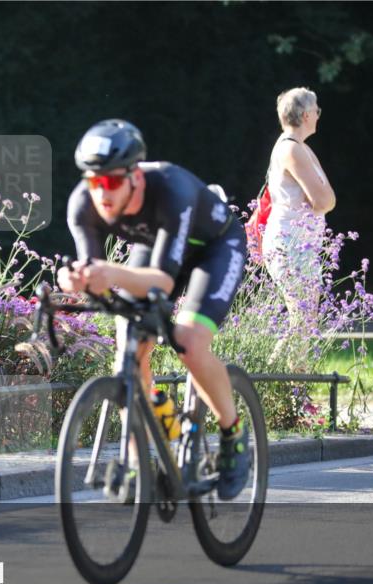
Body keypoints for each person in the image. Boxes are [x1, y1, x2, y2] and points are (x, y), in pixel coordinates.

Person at [59, 119, 250, 500]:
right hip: (158, 248)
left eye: (111, 181)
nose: (102, 192)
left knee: (189, 342)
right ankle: (139, 458)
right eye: (94, 182)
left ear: (135, 177)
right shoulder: (82, 204)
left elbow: (162, 280)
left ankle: (233, 433)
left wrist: (110, 273)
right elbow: (95, 274)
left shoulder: (170, 188)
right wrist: (76, 279)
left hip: (214, 249)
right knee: (128, 347)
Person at [261, 87, 336, 330]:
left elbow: (326, 198)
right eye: (317, 110)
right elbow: (324, 201)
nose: (318, 115)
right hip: (290, 244)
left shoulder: (300, 147)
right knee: (302, 323)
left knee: (304, 323)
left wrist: (327, 197)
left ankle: (291, 359)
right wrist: (327, 198)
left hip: (300, 244)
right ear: (306, 115)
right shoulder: (292, 149)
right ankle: (277, 359)